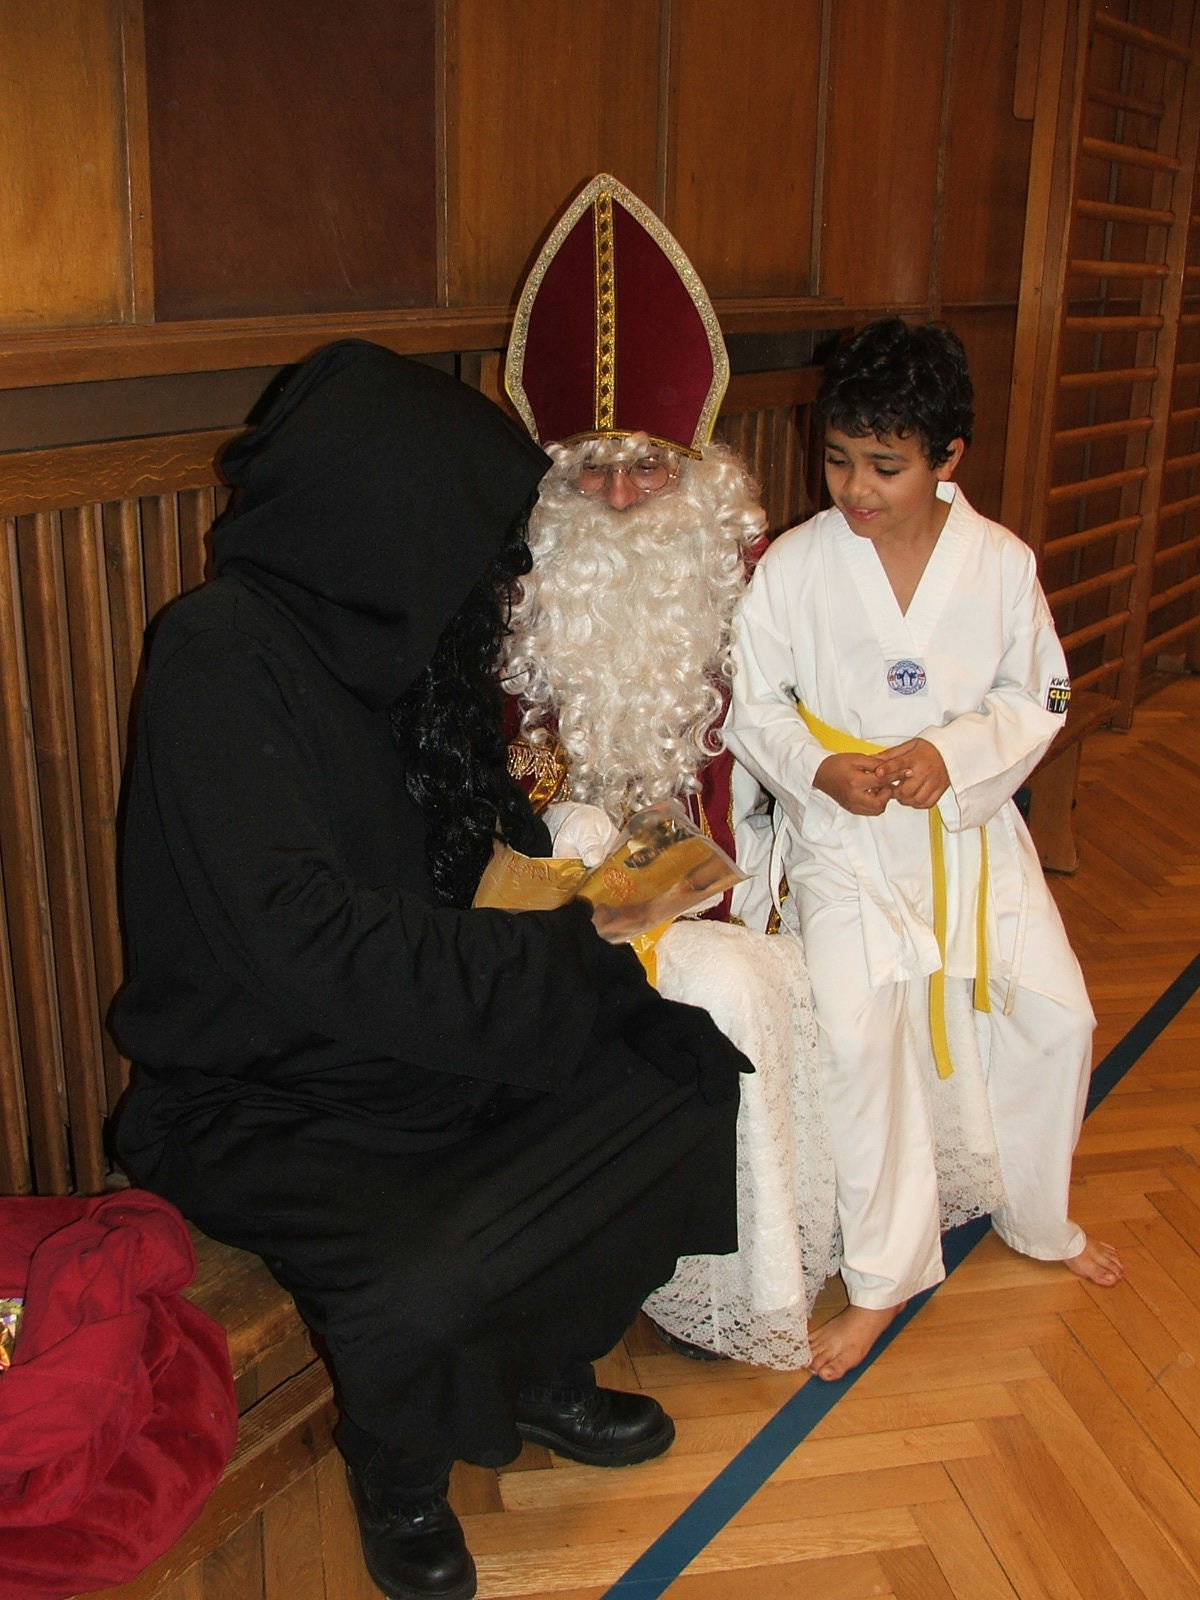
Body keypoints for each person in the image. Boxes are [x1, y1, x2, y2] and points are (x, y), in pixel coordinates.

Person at [110, 340, 752, 1600]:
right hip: (259, 1084)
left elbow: (459, 855)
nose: (488, 570)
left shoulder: (391, 641)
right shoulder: (219, 651)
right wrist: (538, 961)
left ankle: (542, 1362)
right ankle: (397, 1467)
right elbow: (301, 936)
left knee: (676, 1075)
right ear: (384, 510)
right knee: (425, 1265)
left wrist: (571, 903)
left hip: (401, 1034)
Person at [725, 317, 1124, 1383]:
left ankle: (1037, 1214)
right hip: (845, 843)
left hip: (970, 836)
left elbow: (1043, 694)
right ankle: (883, 1278)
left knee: (1058, 1016)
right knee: (862, 1044)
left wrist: (955, 753)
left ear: (948, 459)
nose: (855, 488)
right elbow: (755, 706)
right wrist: (819, 767)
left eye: (885, 466)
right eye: (838, 459)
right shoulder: (795, 568)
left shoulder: (1000, 564)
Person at [501, 174, 839, 1370]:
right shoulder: (525, 581)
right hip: (571, 892)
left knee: (746, 983)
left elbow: (807, 737)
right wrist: (574, 842)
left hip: (746, 878)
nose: (617, 498)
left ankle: (744, 1277)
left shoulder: (757, 572)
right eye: (589, 470)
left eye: (646, 466)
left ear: (697, 464)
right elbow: (507, 770)